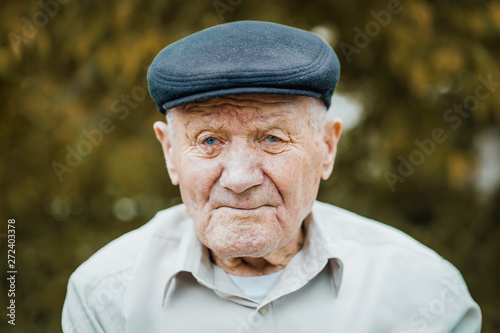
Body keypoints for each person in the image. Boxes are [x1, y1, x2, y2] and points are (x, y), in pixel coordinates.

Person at [62, 21, 481, 332]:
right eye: (209, 140)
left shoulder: (423, 290)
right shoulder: (104, 297)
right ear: (170, 153)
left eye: (272, 139)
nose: (240, 178)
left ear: (327, 148)